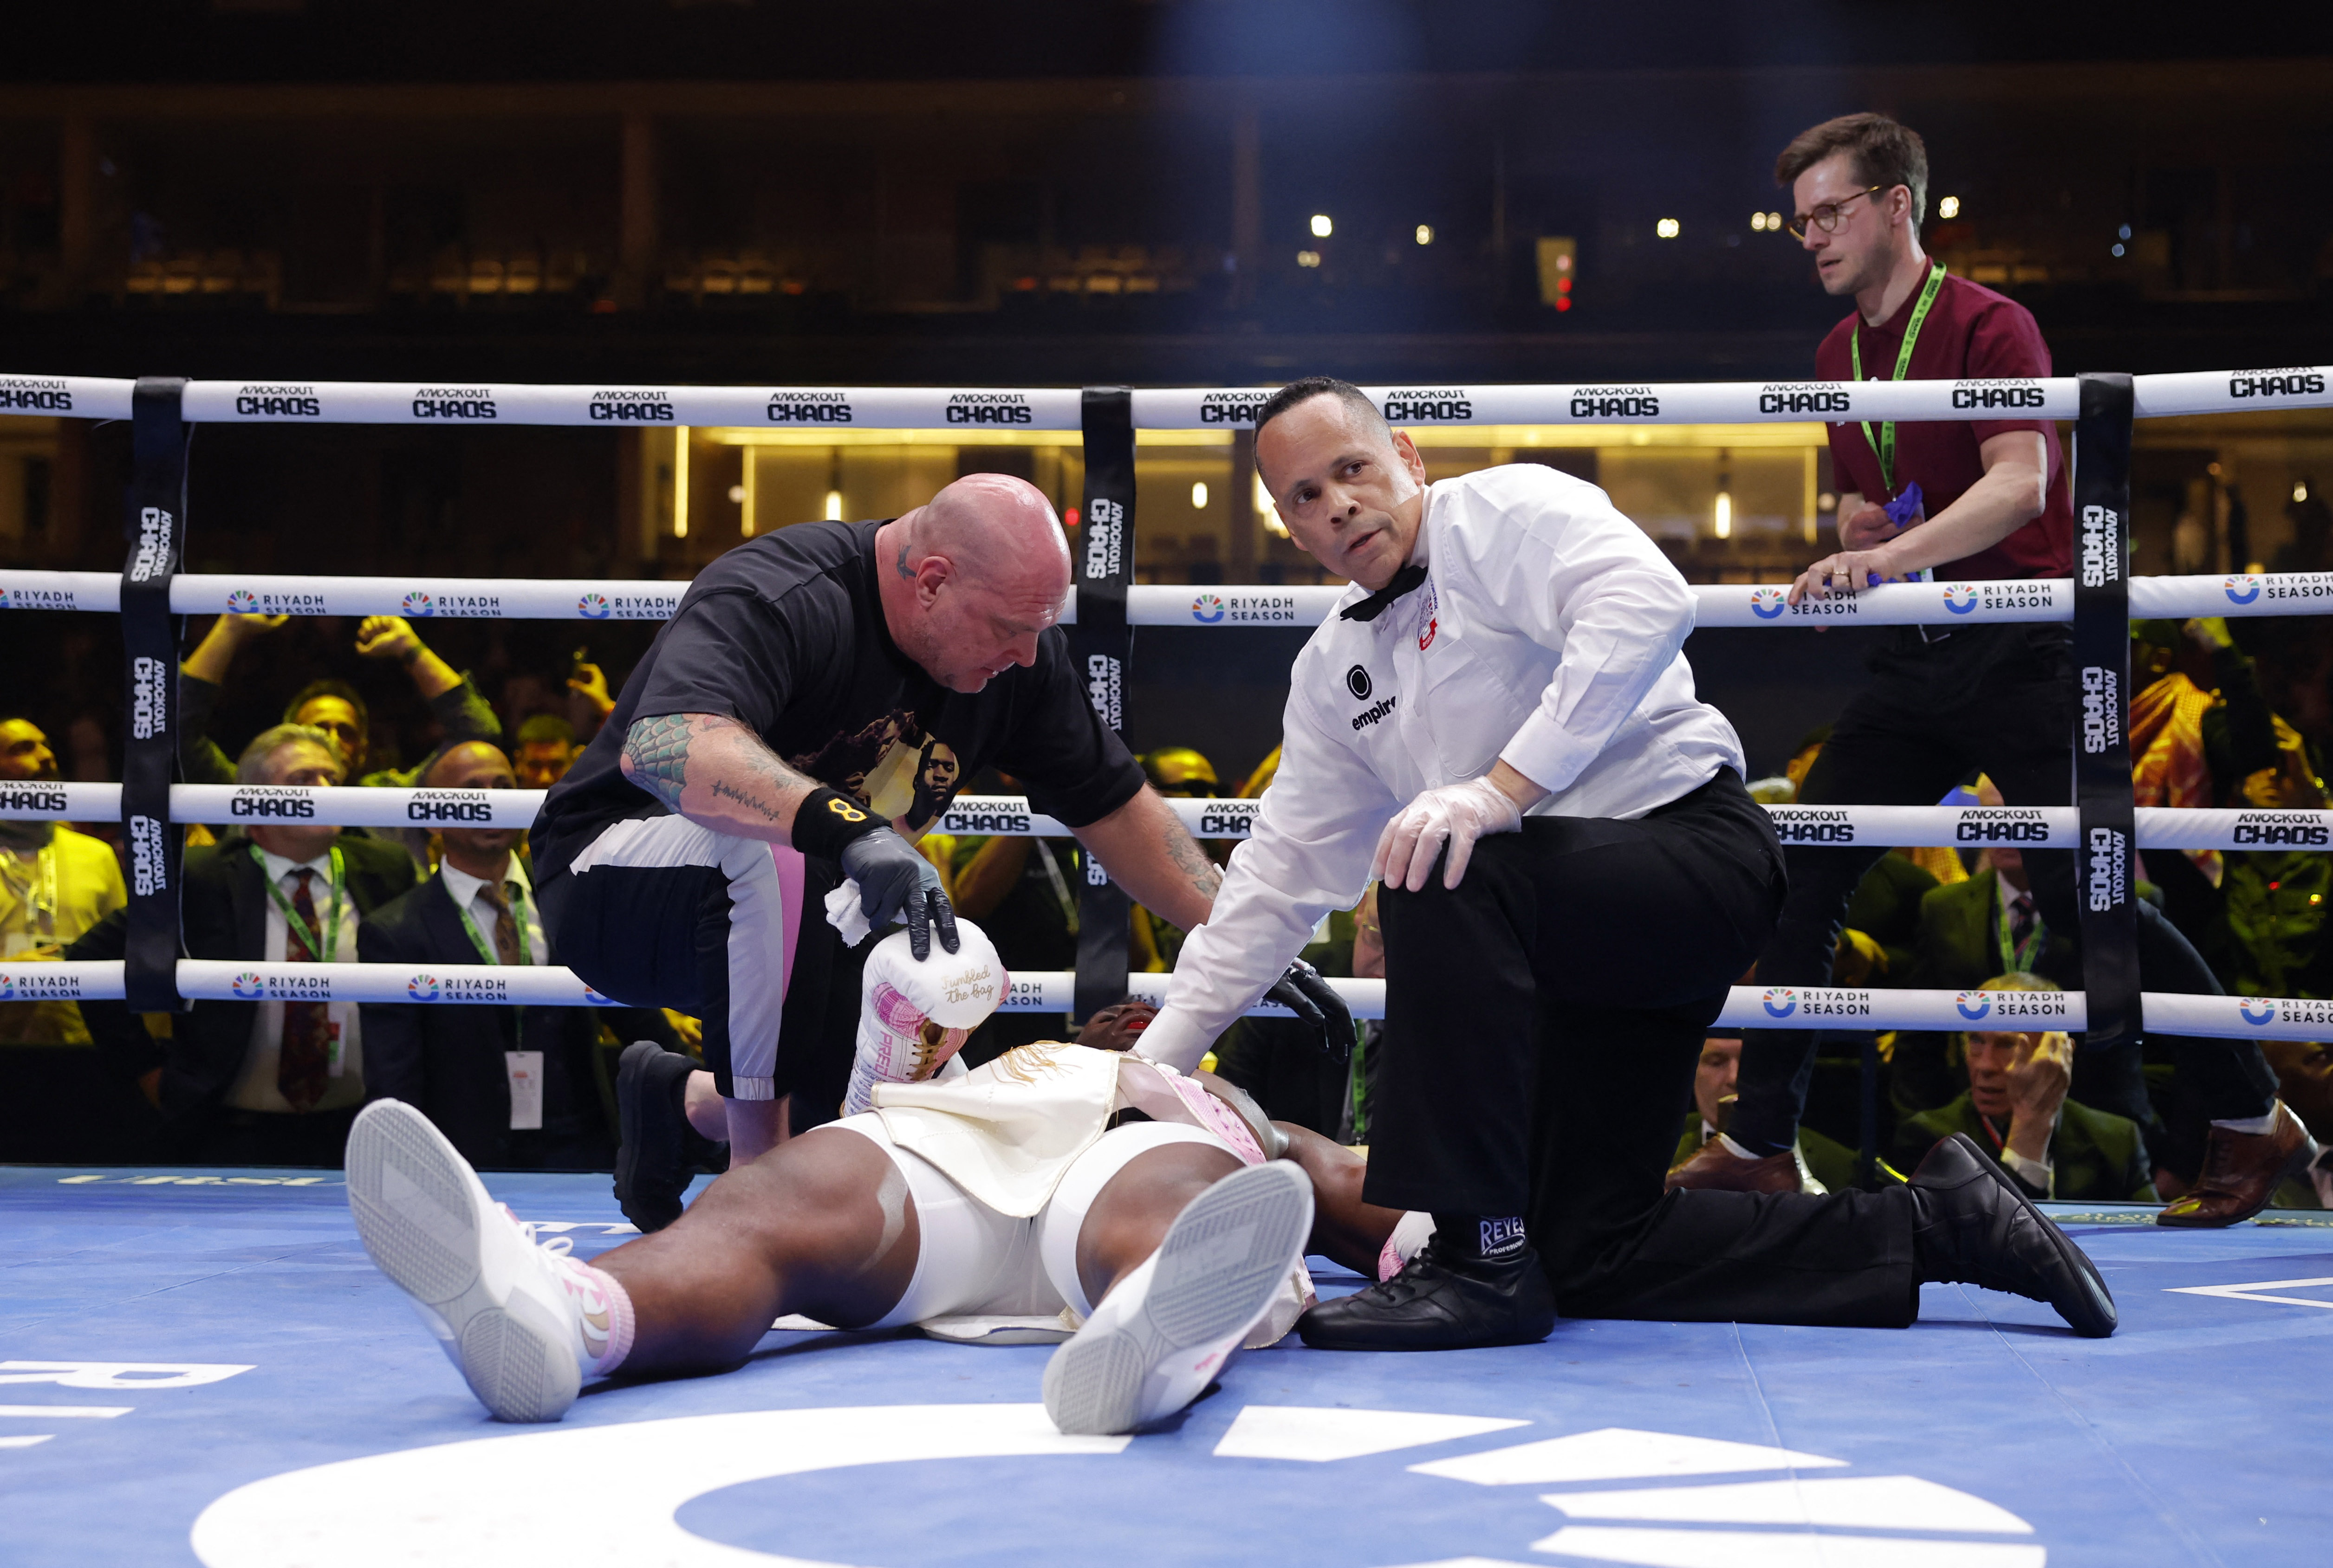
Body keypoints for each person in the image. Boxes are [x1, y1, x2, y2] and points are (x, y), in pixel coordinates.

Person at [1133, 376, 2115, 1351]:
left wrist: (1496, 790)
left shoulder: (1502, 511)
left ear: (1407, 460)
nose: (1336, 503)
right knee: (1586, 1248)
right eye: (1304, 496)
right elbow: (1273, 883)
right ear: (1288, 528)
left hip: (1689, 860)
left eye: (1350, 469)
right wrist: (1148, 1070)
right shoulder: (1329, 675)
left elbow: (1648, 600)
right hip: (1567, 938)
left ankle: (1475, 1259)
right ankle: (1941, 1225)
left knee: (1436, 863)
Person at [1675, 111, 2306, 1228]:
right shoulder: (1835, 355)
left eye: (1827, 212)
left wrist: (1882, 558)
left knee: (2084, 895)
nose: (1809, 237)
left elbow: (2018, 483)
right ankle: (1760, 1139)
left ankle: (2252, 1117)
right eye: (1797, 221)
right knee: (1807, 863)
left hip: (2017, 648)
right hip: (1910, 658)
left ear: (1891, 206)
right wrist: (1854, 537)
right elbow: (1871, 500)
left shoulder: (1988, 322)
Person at [531, 473, 1347, 1185]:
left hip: (805, 927)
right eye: (1008, 628)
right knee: (778, 846)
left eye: (1041, 627)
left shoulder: (1020, 657)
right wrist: (846, 827)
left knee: (928, 1121)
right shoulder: (784, 593)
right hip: (619, 881)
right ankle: (757, 1179)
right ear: (931, 580)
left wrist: (1240, 931)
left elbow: (1115, 802)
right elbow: (667, 745)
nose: (1028, 655)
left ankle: (680, 1101)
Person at [346, 931, 1332, 1435]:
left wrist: (1425, 1231)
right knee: (779, 1198)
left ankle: (1155, 1334)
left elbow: (1372, 1191)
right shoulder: (1002, 1070)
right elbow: (882, 1099)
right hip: (959, 1154)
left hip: (1126, 1173)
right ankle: (572, 1318)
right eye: (1119, 1014)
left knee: (1169, 1197)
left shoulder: (1216, 1108)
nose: (1132, 1017)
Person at [70, 725, 416, 1165]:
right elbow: (89, 958)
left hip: (359, 1127)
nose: (325, 790)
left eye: (332, 778)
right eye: (303, 780)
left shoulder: (384, 868)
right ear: (252, 797)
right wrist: (147, 1070)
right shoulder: (201, 876)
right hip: (227, 1128)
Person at [357, 742, 678, 1171]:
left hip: (585, 1145)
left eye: (502, 787)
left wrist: (705, 1087)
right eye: (473, 791)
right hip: (466, 1154)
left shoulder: (574, 894)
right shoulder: (395, 931)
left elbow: (636, 1012)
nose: (490, 801)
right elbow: (396, 1078)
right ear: (434, 818)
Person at [1892, 975, 2158, 1204]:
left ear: (2056, 1055)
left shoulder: (2116, 1140)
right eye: (1976, 1041)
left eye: (2007, 1045)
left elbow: (2155, 1247)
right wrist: (2029, 1133)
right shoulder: (1930, 1140)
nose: (1985, 1066)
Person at [176, 612, 503, 789]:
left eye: (345, 732)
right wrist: (228, 629)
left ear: (363, 748)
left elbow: (478, 737)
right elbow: (174, 735)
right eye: (317, 730)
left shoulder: (387, 799)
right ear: (287, 741)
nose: (331, 742)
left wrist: (411, 649)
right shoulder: (254, 796)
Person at [0, 718, 128, 1045]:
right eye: (22, 749)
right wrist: (8, 978)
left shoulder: (96, 855)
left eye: (46, 745)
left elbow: (125, 954)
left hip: (86, 1047)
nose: (45, 756)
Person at [1675, 1036, 1858, 1195]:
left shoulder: (1842, 1165)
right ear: (1692, 1070)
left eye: (1751, 1062)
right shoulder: (1652, 1148)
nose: (1734, 1078)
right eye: (1716, 1062)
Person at [512, 713, 585, 791]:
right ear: (518, 762)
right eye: (535, 766)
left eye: (557, 766)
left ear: (575, 762)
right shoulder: (503, 802)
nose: (545, 779)